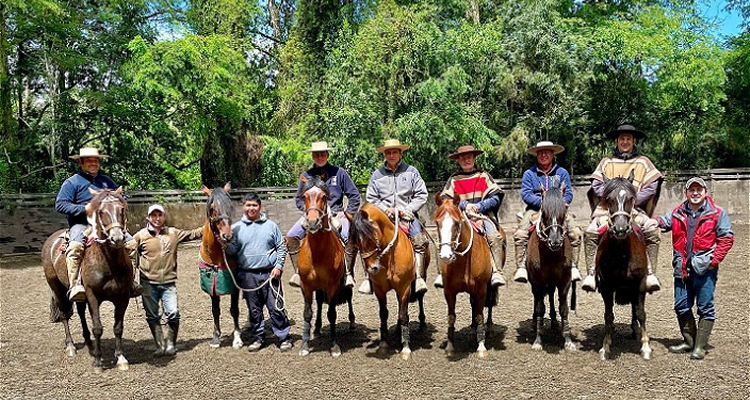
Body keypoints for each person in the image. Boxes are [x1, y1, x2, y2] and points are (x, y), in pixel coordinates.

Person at [653, 177, 734, 360]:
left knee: (705, 307)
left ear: (705, 192)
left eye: (699, 190)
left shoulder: (717, 213)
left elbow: (727, 238)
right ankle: (689, 342)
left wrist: (713, 261)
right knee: (681, 305)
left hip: (705, 269)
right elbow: (661, 222)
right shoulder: (678, 212)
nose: (695, 193)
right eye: (692, 190)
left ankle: (700, 347)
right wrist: (646, 220)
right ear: (687, 193)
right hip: (682, 268)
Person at [582, 124, 663, 293]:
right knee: (590, 232)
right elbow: (596, 184)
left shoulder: (643, 162)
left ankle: (650, 273)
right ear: (616, 141)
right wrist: (610, 198)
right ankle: (591, 273)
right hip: (608, 209)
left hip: (633, 210)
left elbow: (651, 186)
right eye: (622, 139)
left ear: (634, 141)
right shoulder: (607, 162)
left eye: (628, 139)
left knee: (652, 229)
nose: (625, 142)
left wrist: (632, 200)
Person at [54, 147, 143, 302]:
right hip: (82, 224)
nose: (93, 163)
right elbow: (60, 205)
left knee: (131, 244)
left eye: (95, 160)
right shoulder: (72, 182)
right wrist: (84, 208)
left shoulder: (105, 180)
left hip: (107, 225)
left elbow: (119, 197)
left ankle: (130, 281)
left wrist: (122, 200)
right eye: (89, 160)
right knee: (75, 247)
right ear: (80, 162)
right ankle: (75, 285)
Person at [127, 204, 203, 356]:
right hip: (148, 283)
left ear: (164, 217)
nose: (157, 218)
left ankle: (171, 344)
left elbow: (194, 234)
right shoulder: (140, 236)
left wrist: (210, 224)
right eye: (153, 215)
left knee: (173, 313)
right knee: (152, 315)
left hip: (169, 283)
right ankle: (160, 345)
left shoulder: (173, 233)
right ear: (148, 217)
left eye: (159, 215)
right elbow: (127, 252)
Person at [286, 141, 362, 289]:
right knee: (291, 237)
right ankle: (298, 272)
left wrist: (346, 213)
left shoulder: (339, 173)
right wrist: (308, 211)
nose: (320, 157)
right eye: (316, 154)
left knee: (349, 237)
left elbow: (354, 195)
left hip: (335, 214)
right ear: (313, 156)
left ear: (327, 155)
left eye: (322, 154)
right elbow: (298, 199)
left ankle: (347, 273)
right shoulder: (305, 176)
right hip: (312, 215)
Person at [227, 193, 292, 352]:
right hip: (248, 275)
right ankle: (258, 337)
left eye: (254, 205)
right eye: (248, 205)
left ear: (260, 207)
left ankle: (283, 337)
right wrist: (225, 244)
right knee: (254, 310)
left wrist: (278, 266)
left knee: (276, 306)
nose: (251, 208)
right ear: (243, 207)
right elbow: (233, 250)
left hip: (270, 273)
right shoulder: (236, 228)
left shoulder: (271, 226)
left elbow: (281, 247)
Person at [363, 139, 430, 295]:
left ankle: (419, 276)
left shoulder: (412, 171)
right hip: (383, 218)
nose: (391, 155)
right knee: (366, 240)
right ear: (384, 155)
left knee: (419, 240)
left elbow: (421, 194)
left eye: (394, 152)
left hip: (407, 216)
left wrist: (406, 210)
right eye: (388, 152)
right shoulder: (377, 175)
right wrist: (386, 210)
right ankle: (369, 278)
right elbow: (371, 198)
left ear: (401, 153)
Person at [436, 145, 507, 288]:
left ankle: (497, 271)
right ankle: (441, 273)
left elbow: (495, 198)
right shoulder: (454, 180)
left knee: (494, 236)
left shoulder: (484, 176)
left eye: (469, 157)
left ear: (474, 158)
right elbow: (446, 199)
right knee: (444, 236)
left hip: (483, 215)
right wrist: (464, 205)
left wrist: (480, 207)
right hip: (460, 216)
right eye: (462, 158)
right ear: (458, 161)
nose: (466, 160)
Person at [513, 141, 582, 283]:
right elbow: (526, 194)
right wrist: (544, 204)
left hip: (558, 209)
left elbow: (568, 193)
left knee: (575, 233)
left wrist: (558, 204)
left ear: (552, 154)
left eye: (547, 152)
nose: (544, 155)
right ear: (537, 155)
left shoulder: (561, 173)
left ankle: (573, 265)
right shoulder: (529, 174)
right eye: (540, 152)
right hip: (535, 208)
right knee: (520, 233)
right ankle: (521, 265)